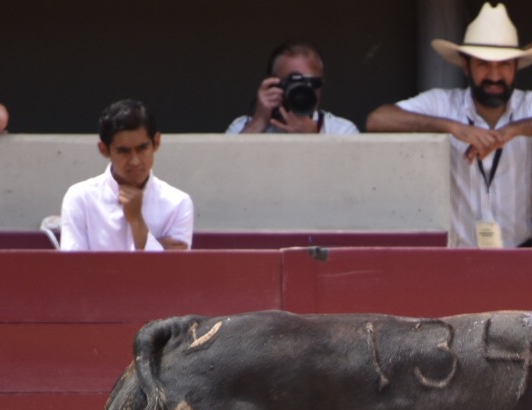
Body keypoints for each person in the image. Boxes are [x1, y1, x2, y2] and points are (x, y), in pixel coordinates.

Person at [366, 3, 532, 249]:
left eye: (504, 65)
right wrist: (455, 128)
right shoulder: (444, 104)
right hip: (457, 259)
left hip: (519, 255)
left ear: (516, 68)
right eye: (483, 64)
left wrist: (512, 130)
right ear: (466, 67)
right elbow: (378, 119)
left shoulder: (531, 104)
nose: (494, 76)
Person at [59, 100, 193, 252]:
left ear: (156, 142)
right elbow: (74, 270)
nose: (135, 161)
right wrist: (157, 248)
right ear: (104, 149)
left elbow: (174, 273)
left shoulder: (178, 203)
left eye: (142, 148)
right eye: (123, 151)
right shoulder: (80, 198)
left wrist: (137, 222)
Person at [225, 41, 359, 135]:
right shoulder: (241, 127)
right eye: (291, 82)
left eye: (310, 82)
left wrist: (313, 140)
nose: (300, 90)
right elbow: (222, 170)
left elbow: (348, 175)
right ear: (271, 83)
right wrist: (258, 122)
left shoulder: (341, 131)